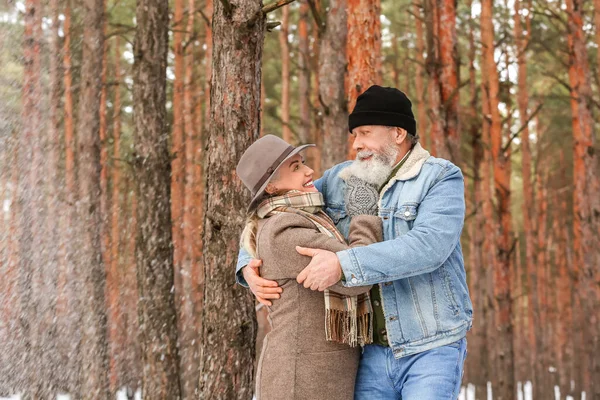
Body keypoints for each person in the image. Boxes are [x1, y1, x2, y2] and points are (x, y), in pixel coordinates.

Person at [237, 85, 473, 399]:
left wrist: (343, 264)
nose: (356, 144)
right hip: (371, 351)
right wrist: (248, 268)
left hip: (430, 344)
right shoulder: (341, 179)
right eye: (354, 135)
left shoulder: (440, 177)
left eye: (364, 132)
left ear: (398, 133)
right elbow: (275, 211)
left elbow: (429, 247)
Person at [236, 134, 384, 400]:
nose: (309, 171)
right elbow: (359, 274)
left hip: (317, 374)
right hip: (299, 379)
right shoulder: (285, 230)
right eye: (295, 167)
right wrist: (365, 213)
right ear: (271, 188)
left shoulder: (307, 215)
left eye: (302, 162)